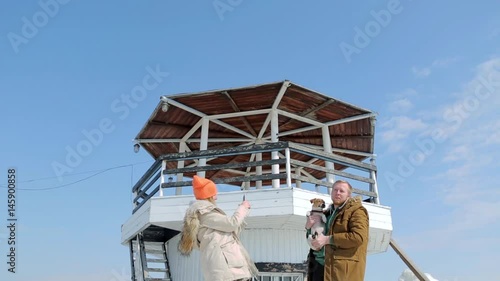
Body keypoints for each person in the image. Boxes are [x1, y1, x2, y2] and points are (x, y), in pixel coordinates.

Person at [178, 175, 259, 281]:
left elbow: (230, 231)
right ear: (209, 195)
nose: (217, 195)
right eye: (214, 192)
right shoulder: (205, 212)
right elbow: (231, 224)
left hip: (227, 270)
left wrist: (242, 216)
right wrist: (243, 207)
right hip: (229, 271)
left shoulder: (202, 213)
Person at [305, 180, 369, 281]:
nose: (337, 193)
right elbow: (316, 237)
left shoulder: (357, 211)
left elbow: (358, 237)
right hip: (318, 267)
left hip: (340, 271)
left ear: (349, 195)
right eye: (335, 190)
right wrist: (308, 227)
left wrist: (328, 240)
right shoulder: (326, 213)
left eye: (341, 191)